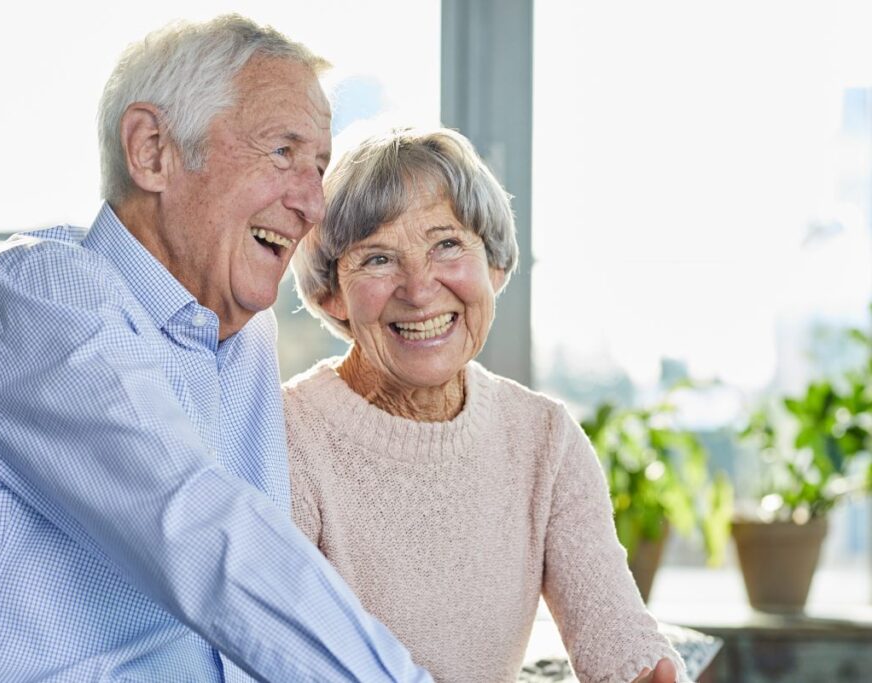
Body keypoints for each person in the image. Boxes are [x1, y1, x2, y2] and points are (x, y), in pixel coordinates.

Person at [0, 16, 432, 682]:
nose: (312, 203)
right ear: (153, 150)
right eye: (283, 151)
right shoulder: (43, 294)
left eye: (319, 167)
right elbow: (201, 530)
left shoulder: (245, 337)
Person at [287, 127, 689, 683]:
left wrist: (646, 672)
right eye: (378, 259)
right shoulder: (287, 437)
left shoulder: (543, 437)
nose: (420, 287)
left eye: (447, 244)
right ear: (332, 293)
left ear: (494, 266)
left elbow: (614, 630)